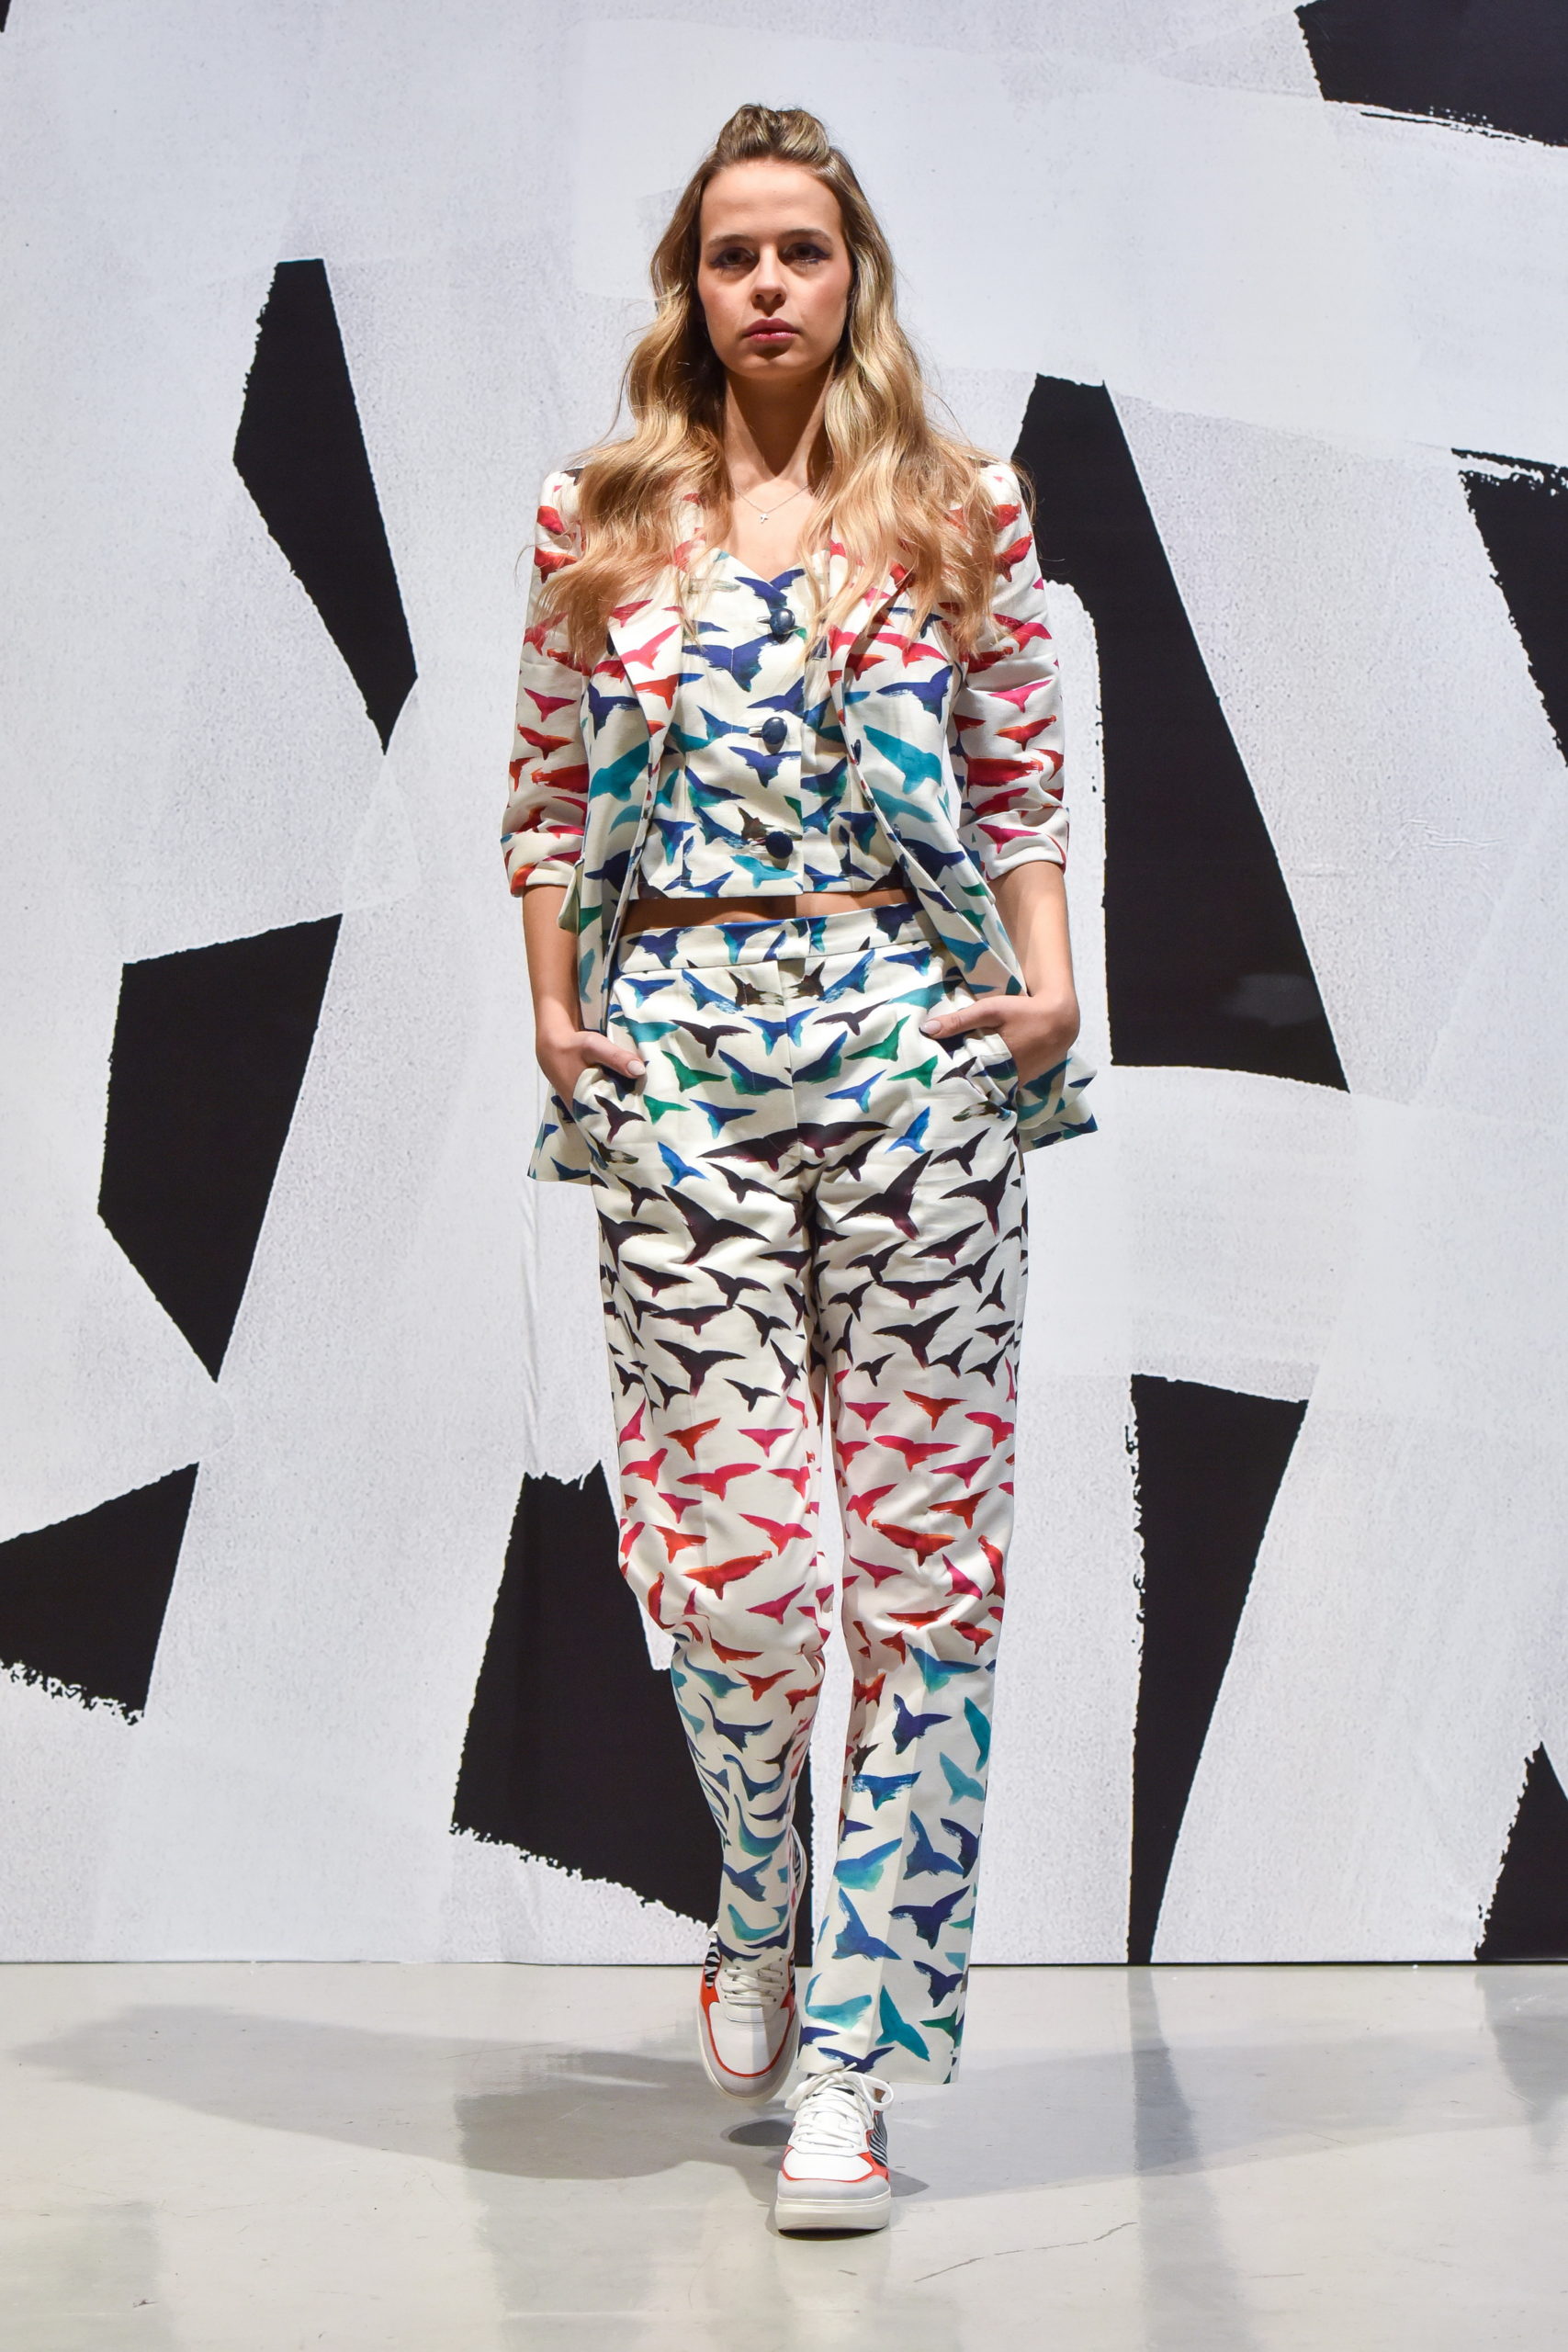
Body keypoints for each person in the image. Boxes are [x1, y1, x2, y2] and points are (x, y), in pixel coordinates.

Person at [502, 101, 1097, 2235]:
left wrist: (1046, 983)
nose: (767, 283)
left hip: (916, 1051)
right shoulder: (597, 515)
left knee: (926, 1575)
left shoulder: (956, 507)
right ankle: (759, 1882)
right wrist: (554, 1005)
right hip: (674, 1058)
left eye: (801, 251)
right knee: (739, 1572)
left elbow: (1017, 769)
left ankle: (851, 2050)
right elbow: (543, 788)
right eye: (733, 251)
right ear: (691, 283)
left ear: (853, 281)